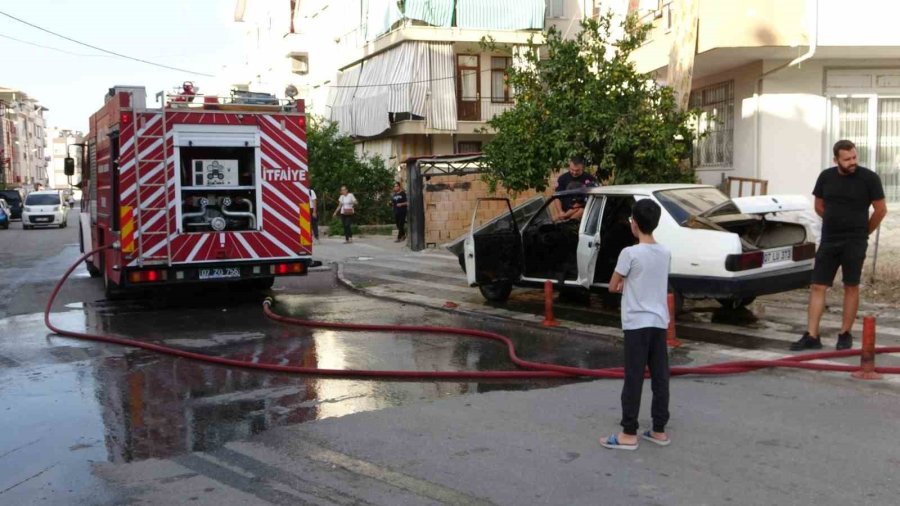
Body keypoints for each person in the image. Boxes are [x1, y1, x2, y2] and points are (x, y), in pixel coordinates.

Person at [791, 140, 888, 351]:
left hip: (855, 242)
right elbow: (818, 205)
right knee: (818, 285)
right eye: (847, 159)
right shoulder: (826, 177)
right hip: (829, 240)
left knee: (850, 285)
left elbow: (880, 210)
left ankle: (845, 334)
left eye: (854, 157)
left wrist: (864, 232)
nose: (852, 162)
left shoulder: (869, 178)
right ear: (836, 160)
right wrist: (834, 220)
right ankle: (812, 336)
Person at [600, 199, 672, 451]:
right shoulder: (665, 252)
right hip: (659, 322)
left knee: (634, 377)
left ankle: (628, 433)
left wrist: (625, 285)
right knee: (660, 376)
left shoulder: (629, 253)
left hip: (636, 324)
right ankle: (659, 429)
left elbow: (612, 285)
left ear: (635, 224)